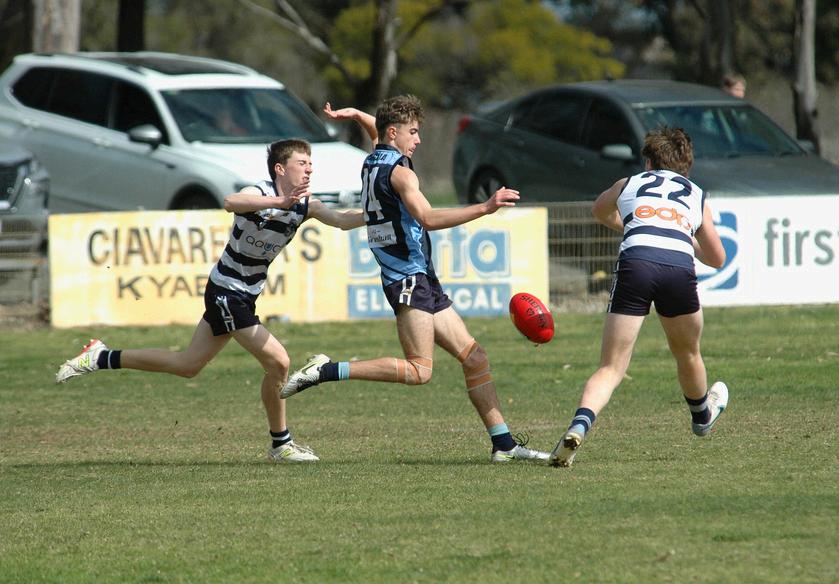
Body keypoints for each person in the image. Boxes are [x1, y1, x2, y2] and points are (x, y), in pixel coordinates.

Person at [55, 139, 364, 463]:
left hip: (244, 295)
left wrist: (378, 213)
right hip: (226, 291)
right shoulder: (259, 192)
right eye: (302, 163)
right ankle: (280, 444)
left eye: (311, 164)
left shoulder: (306, 206)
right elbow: (231, 202)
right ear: (280, 169)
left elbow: (342, 220)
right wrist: (279, 201)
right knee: (279, 362)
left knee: (187, 365)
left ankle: (101, 357)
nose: (309, 169)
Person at [279, 95, 549, 464]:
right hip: (407, 276)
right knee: (419, 370)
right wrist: (485, 207)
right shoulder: (401, 173)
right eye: (413, 132)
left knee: (474, 357)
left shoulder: (373, 159)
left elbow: (378, 131)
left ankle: (504, 446)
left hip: (420, 275)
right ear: (394, 133)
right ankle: (325, 370)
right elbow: (428, 218)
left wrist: (357, 113)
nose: (418, 140)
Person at [549, 126, 729, 468]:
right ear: (686, 166)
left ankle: (578, 427)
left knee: (611, 367)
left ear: (648, 162)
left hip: (636, 263)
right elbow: (717, 258)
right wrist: (683, 235)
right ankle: (702, 418)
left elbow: (599, 211)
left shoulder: (628, 183)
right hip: (678, 267)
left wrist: (636, 224)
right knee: (687, 353)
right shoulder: (695, 193)